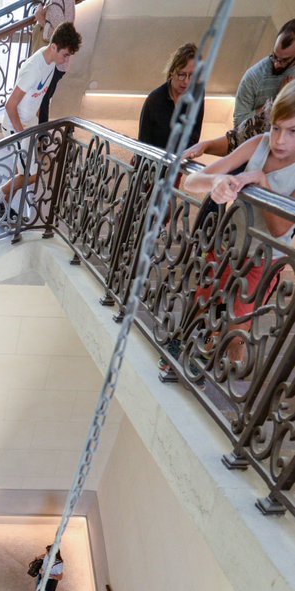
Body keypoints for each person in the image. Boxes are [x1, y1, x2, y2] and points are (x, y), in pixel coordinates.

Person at [172, 83, 295, 372]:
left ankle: (228, 372)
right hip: (228, 246)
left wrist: (262, 183)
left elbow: (280, 229)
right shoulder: (259, 143)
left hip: (264, 261)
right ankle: (195, 352)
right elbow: (193, 181)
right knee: (206, 302)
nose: (279, 140)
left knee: (238, 323)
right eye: (276, 128)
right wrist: (216, 181)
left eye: (292, 131)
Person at [0, 21, 82, 223]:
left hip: (29, 124)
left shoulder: (51, 63)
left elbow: (39, 98)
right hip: (15, 127)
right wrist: (22, 134)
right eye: (65, 54)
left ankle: (4, 202)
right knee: (32, 176)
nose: (66, 60)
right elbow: (10, 105)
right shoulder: (34, 68)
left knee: (24, 171)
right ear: (54, 47)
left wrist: (37, 126)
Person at [138, 43, 203, 151]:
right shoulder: (154, 100)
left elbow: (194, 135)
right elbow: (143, 143)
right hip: (155, 159)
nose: (186, 82)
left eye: (192, 76)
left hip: (182, 158)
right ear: (172, 71)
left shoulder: (197, 94)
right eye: (181, 75)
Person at [233, 19, 295, 129]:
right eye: (275, 56)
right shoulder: (253, 77)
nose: (276, 64)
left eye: (284, 60)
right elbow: (239, 126)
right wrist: (278, 100)